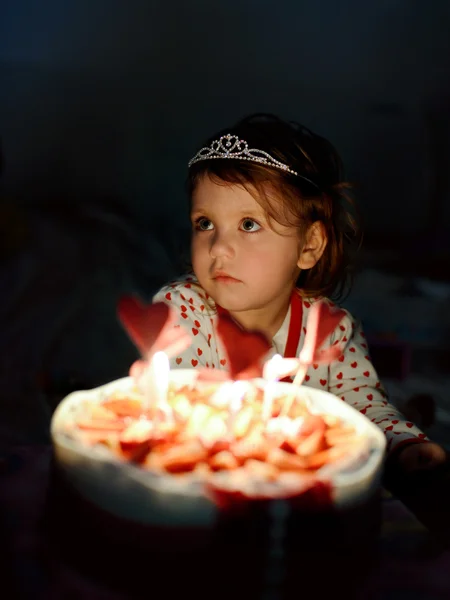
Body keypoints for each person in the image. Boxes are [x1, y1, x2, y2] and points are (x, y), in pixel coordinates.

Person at [145, 113, 446, 474]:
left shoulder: (330, 330)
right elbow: (189, 411)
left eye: (249, 224)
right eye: (205, 223)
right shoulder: (179, 310)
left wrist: (402, 443)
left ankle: (413, 409)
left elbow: (363, 407)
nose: (219, 248)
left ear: (309, 245)